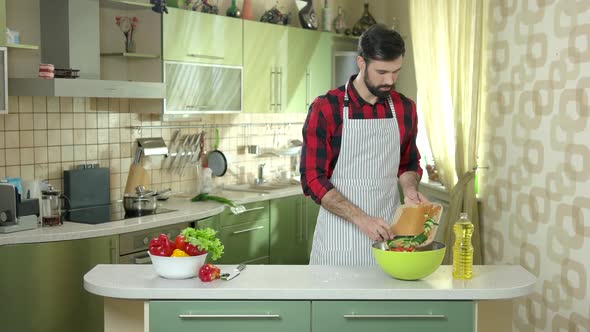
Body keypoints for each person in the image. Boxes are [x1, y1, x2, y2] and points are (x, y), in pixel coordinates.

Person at [300, 24, 428, 266]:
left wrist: (410, 189)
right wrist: (361, 219)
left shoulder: (404, 108)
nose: (389, 80)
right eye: (381, 72)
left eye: (396, 71)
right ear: (361, 62)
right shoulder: (327, 108)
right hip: (339, 240)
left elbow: (408, 162)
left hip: (389, 237)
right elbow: (312, 178)